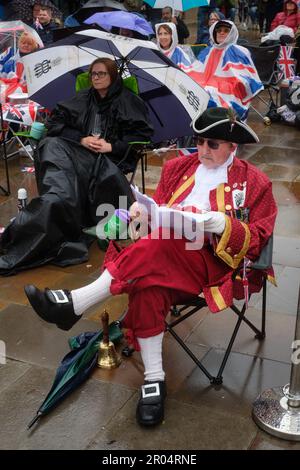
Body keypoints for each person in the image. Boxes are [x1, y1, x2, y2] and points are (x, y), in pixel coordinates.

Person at [24, 107, 277, 427]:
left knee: (159, 245)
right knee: (150, 280)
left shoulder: (254, 182)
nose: (202, 150)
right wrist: (137, 217)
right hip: (162, 257)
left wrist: (215, 222)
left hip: (213, 262)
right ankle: (154, 381)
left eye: (212, 144)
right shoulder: (177, 168)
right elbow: (158, 214)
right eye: (198, 142)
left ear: (232, 147)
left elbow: (259, 236)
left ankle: (77, 302)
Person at [0, 57, 153, 275]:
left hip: (108, 161)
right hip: (76, 152)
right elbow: (54, 124)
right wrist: (81, 139)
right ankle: (50, 207)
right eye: (93, 74)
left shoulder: (129, 101)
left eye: (102, 74)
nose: (96, 78)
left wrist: (111, 146)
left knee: (58, 195)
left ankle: (26, 231)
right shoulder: (83, 97)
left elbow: (143, 136)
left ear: (113, 76)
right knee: (51, 146)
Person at [188, 20, 263, 121]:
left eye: (226, 30)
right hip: (206, 86)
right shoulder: (207, 51)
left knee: (211, 95)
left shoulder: (240, 51)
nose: (221, 33)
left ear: (232, 33)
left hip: (229, 91)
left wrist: (220, 86)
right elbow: (195, 71)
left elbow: (246, 80)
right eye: (219, 31)